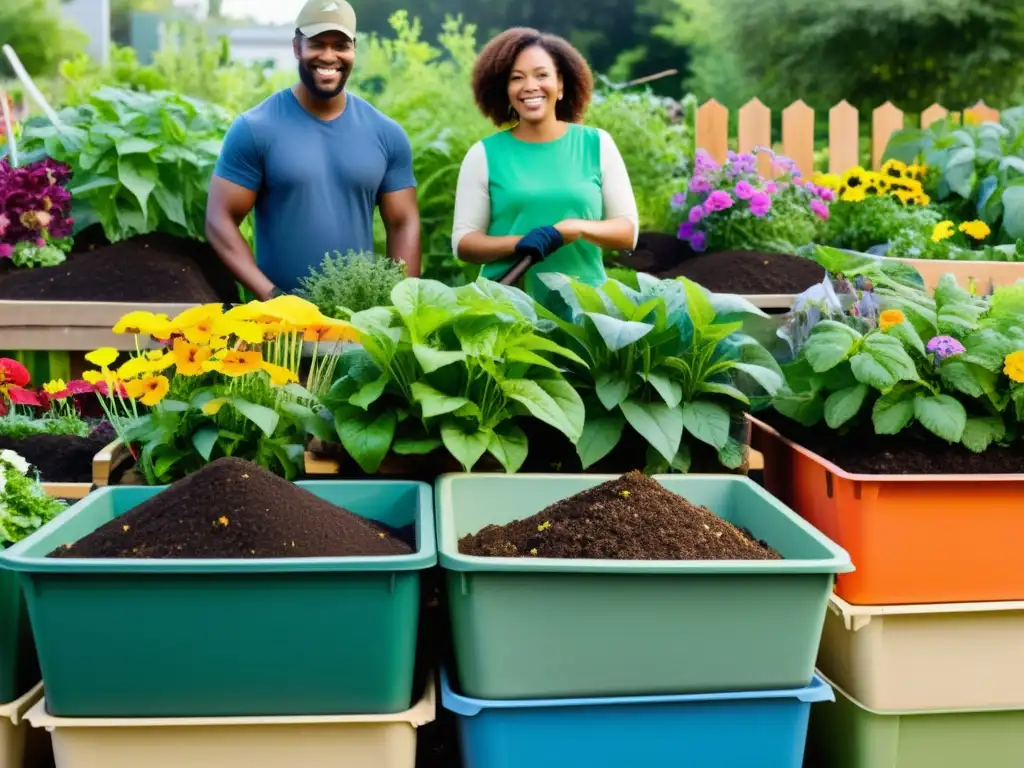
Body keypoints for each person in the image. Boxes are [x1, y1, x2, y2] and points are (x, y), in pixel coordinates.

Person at [206, 0, 421, 301]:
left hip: (358, 324)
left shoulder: (385, 133)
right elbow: (219, 219)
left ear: (354, 49)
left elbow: (403, 222)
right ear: (297, 47)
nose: (329, 56)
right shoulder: (256, 128)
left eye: (341, 45)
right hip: (281, 330)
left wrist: (396, 306)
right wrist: (272, 296)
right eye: (317, 44)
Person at [451, 27, 638, 300]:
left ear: (560, 84)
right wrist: (522, 243)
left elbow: (627, 232)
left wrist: (573, 228)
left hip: (585, 311)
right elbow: (464, 243)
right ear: (506, 90)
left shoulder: (597, 145)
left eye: (541, 75)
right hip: (506, 305)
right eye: (517, 78)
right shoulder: (483, 154)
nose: (530, 86)